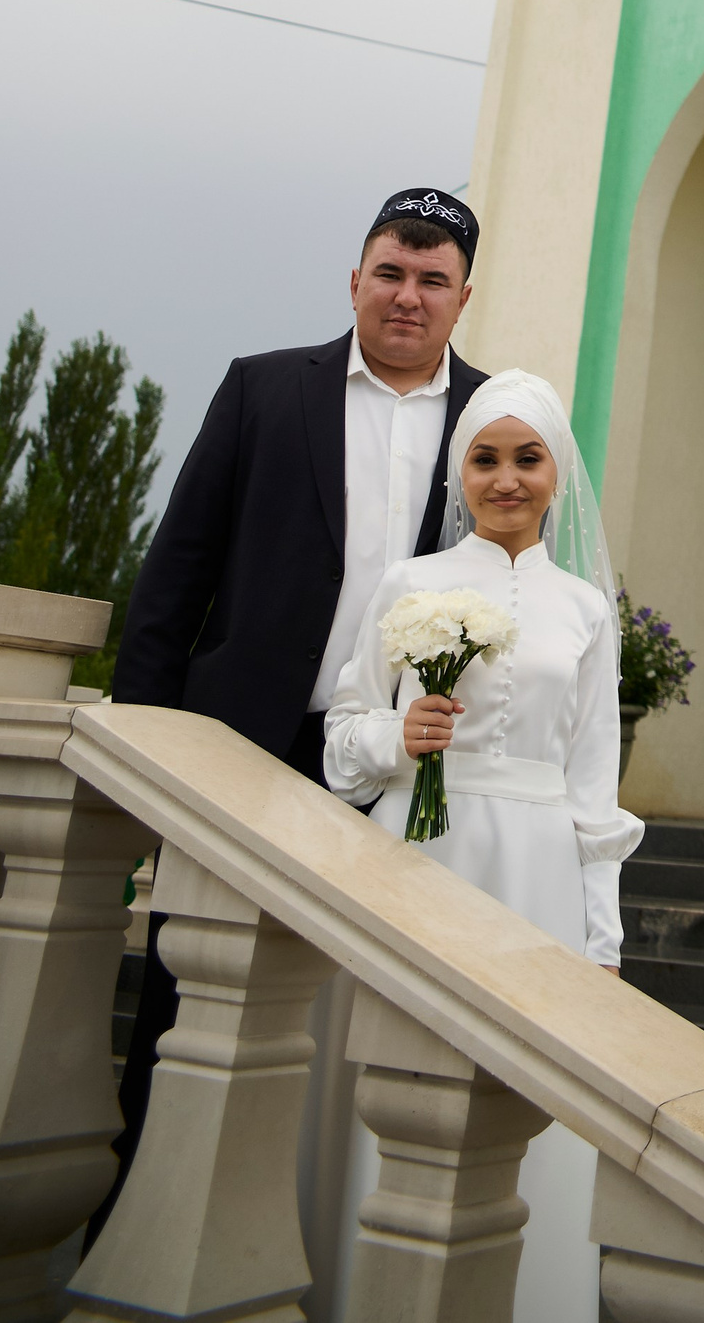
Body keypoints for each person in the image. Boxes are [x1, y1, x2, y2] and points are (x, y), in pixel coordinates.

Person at [101, 186, 488, 1243]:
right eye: (390, 272)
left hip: (403, 762)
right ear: (355, 279)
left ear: (463, 299)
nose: (408, 296)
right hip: (242, 746)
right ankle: (141, 1226)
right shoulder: (264, 388)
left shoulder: (492, 420)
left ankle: (298, 1237)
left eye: (433, 280)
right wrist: (146, 747)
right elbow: (174, 575)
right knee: (188, 993)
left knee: (358, 1011)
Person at [323, 368, 644, 1319]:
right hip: (415, 860)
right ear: (460, 473)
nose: (506, 479)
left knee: (525, 1086)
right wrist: (399, 735)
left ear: (557, 474)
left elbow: (594, 784)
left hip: (537, 876)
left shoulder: (585, 608)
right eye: (486, 459)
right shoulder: (410, 583)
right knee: (401, 1069)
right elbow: (343, 736)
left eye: (527, 459)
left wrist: (602, 940)